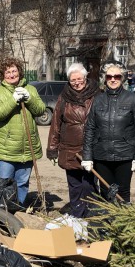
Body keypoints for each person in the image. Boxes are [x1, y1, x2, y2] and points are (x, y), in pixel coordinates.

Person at [81, 62, 135, 203]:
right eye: (109, 76)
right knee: (106, 192)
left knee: (122, 192)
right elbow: (90, 129)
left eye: (116, 76)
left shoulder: (132, 99)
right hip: (102, 156)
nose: (113, 79)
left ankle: (123, 223)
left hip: (125, 155)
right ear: (105, 79)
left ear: (122, 78)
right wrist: (87, 156)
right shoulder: (98, 100)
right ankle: (108, 223)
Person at [0, 57, 46, 205]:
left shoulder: (31, 89)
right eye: (7, 72)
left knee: (22, 183)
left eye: (14, 70)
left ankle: (18, 210)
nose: (11, 74)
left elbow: (40, 110)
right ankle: (0, 214)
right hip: (6, 150)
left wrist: (29, 99)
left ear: (19, 72)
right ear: (2, 75)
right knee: (2, 184)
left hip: (27, 148)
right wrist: (13, 99)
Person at [46, 63, 99, 217]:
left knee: (90, 185)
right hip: (69, 149)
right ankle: (77, 214)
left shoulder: (97, 94)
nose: (77, 82)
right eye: (73, 80)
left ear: (85, 77)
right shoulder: (64, 98)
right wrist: (52, 149)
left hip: (91, 149)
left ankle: (91, 215)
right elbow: (56, 124)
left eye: (79, 79)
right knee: (75, 185)